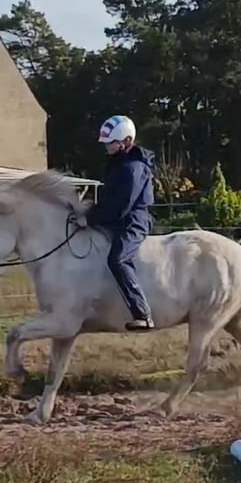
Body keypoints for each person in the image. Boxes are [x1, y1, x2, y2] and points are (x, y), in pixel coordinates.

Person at [77, 115, 156, 332]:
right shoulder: (119, 163)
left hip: (133, 221)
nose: (106, 147)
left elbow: (122, 205)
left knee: (118, 260)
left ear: (127, 141)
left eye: (111, 142)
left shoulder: (133, 168)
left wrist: (90, 218)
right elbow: (108, 201)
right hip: (119, 218)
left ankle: (142, 314)